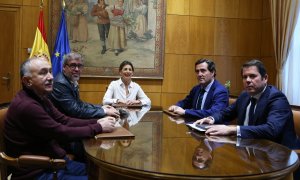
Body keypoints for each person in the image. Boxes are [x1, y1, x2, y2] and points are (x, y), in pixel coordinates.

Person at [4, 57, 116, 179]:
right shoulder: (27, 106)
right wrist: (98, 127)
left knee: (106, 173)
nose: (51, 77)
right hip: (39, 171)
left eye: (50, 71)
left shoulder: (41, 97)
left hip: (55, 162)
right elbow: (60, 132)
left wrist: (97, 121)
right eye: (43, 73)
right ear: (27, 81)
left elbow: (64, 120)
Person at [194, 59, 299, 149]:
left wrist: (234, 129)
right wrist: (212, 119)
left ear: (265, 78)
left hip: (278, 155)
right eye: (245, 77)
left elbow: (271, 130)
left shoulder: (276, 98)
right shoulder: (245, 95)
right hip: (251, 149)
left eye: (253, 76)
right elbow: (226, 113)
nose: (248, 80)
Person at [50, 52, 120, 119]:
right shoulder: (60, 84)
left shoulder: (70, 81)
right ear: (64, 67)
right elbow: (75, 111)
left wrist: (101, 107)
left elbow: (80, 104)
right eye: (73, 65)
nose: (77, 69)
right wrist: (104, 111)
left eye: (79, 66)